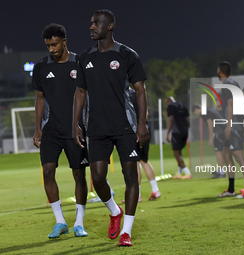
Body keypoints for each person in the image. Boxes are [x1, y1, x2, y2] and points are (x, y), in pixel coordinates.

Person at [72, 9, 149, 247]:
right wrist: (75, 123)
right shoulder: (85, 57)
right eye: (91, 23)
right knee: (97, 178)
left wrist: (141, 123)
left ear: (111, 26)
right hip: (95, 127)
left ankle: (126, 232)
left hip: (125, 126)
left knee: (130, 177)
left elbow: (140, 90)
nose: (92, 26)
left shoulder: (127, 55)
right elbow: (80, 92)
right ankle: (115, 211)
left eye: (97, 23)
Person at [32, 24, 89, 239]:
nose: (51, 49)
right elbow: (39, 98)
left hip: (76, 129)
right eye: (48, 46)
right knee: (47, 171)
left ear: (64, 41)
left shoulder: (79, 63)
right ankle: (60, 222)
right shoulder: (41, 67)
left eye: (55, 44)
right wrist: (38, 128)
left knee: (79, 174)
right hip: (51, 130)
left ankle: (79, 223)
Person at [217, 62, 244, 198]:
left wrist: (229, 125)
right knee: (227, 156)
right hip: (232, 124)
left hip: (234, 126)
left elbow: (231, 105)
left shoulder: (229, 84)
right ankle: (231, 189)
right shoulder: (229, 84)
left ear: (220, 71)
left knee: (239, 156)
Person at [129, 88, 161, 201]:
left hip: (133, 131)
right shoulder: (140, 93)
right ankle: (155, 189)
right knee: (144, 161)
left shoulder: (126, 95)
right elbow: (146, 114)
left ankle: (137, 195)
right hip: (145, 130)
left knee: (135, 163)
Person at [192, 104, 226, 178]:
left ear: (196, 110)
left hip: (219, 132)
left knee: (218, 151)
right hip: (222, 130)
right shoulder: (209, 109)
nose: (196, 114)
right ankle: (221, 170)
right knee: (220, 151)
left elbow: (210, 123)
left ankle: (222, 172)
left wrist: (211, 137)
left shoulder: (204, 113)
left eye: (195, 113)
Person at [166, 97, 191, 179]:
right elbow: (187, 119)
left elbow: (171, 119)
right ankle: (179, 172)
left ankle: (187, 172)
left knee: (176, 153)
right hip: (185, 131)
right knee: (179, 151)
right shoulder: (183, 106)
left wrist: (168, 133)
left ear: (169, 101)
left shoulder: (171, 106)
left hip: (176, 131)